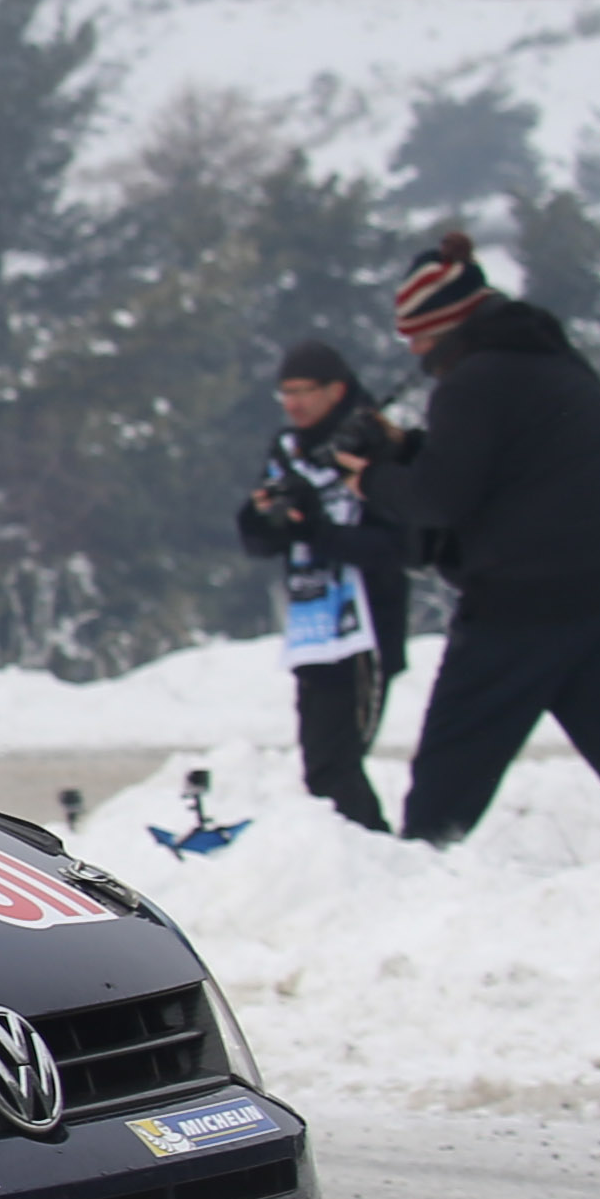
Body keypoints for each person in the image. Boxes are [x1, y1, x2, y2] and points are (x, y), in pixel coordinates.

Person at [354, 228, 600, 855]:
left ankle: (422, 861)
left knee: (458, 750)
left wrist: (373, 480)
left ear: (445, 327)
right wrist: (409, 448)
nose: (414, 352)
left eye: (417, 337)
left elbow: (442, 497)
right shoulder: (550, 360)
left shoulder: (472, 382)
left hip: (526, 598)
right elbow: (504, 467)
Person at [237, 338, 413, 832]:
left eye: (303, 391)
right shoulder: (289, 451)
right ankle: (359, 852)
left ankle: (371, 852)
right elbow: (259, 539)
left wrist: (318, 528)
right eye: (285, 393)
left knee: (336, 766)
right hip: (312, 632)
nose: (293, 404)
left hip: (365, 629)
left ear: (335, 390)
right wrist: (268, 518)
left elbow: (395, 547)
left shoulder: (373, 445)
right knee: (321, 767)